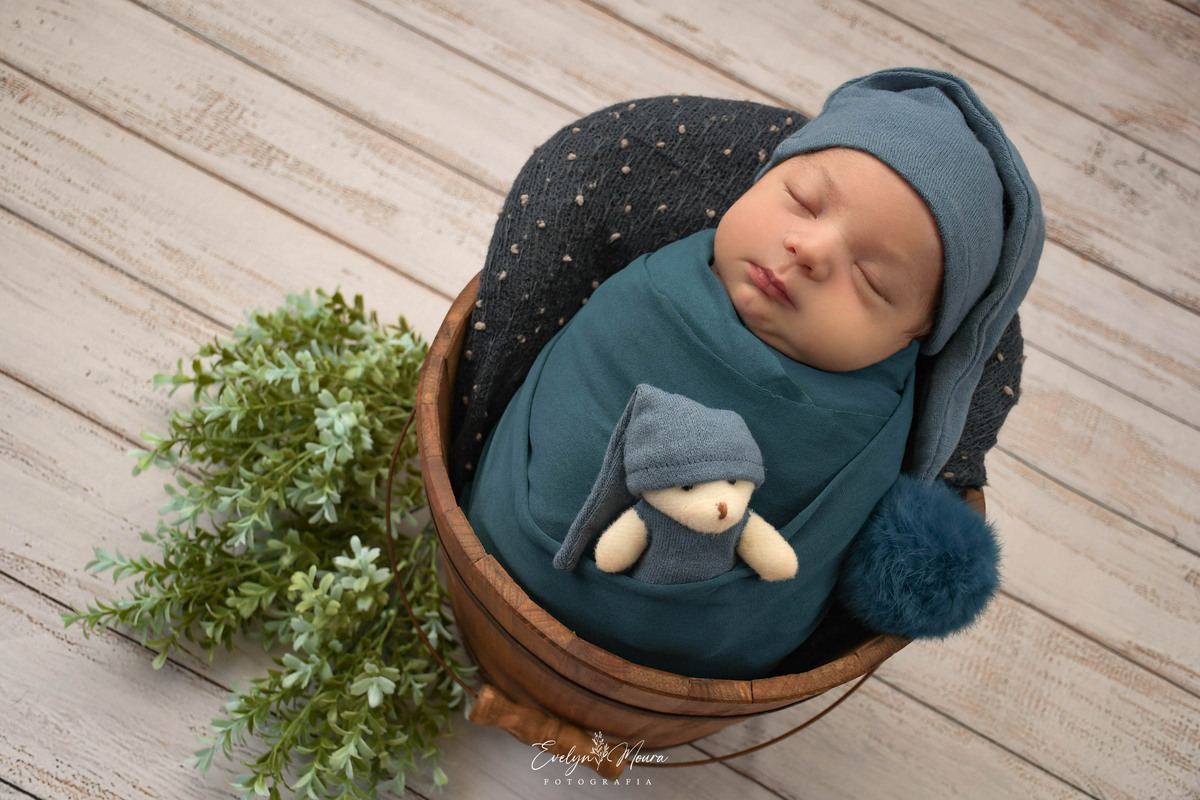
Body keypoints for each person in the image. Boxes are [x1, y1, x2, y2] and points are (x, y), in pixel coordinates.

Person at [461, 68, 1044, 679]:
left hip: (691, 666)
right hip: (489, 556)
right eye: (804, 203)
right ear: (762, 177)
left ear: (915, 338)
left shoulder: (871, 421)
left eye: (871, 278)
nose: (810, 250)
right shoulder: (653, 281)